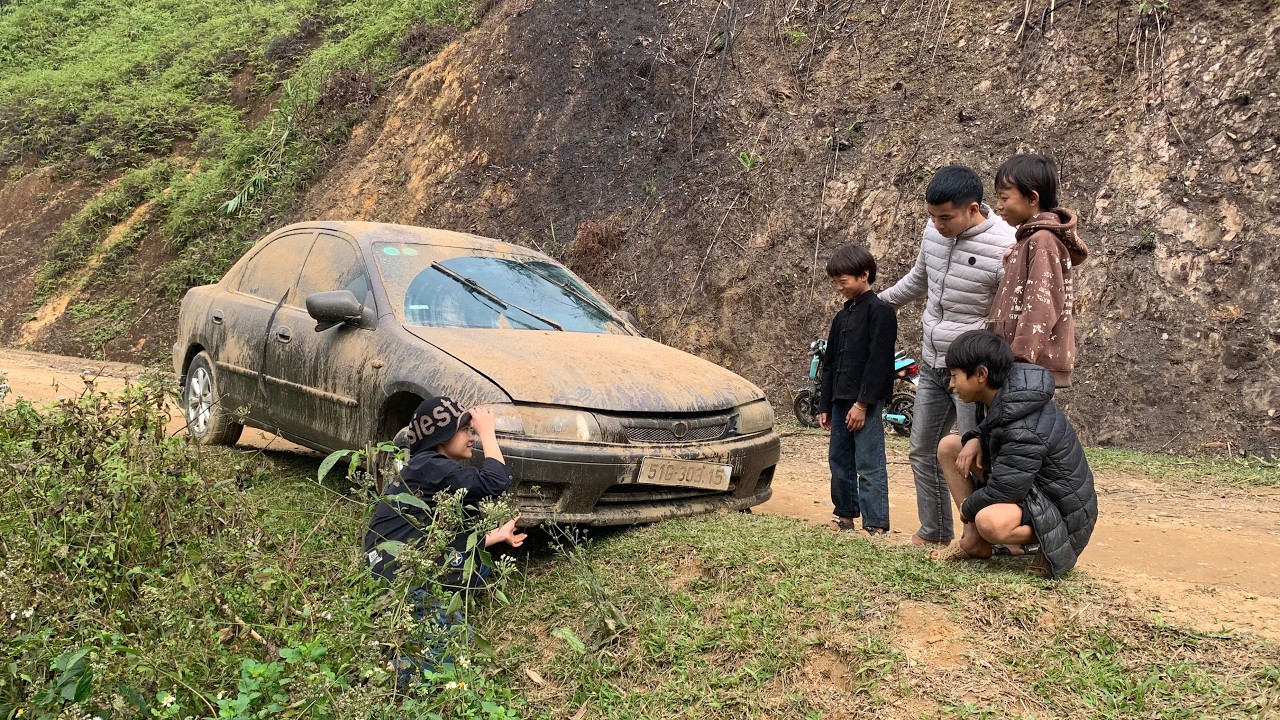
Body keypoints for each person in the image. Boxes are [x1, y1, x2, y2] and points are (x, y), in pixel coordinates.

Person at [879, 164, 1016, 547]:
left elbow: (1007, 317)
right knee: (922, 447)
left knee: (975, 455)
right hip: (934, 361)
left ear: (973, 208)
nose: (938, 225)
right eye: (932, 217)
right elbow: (919, 280)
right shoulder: (933, 233)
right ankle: (935, 530)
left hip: (974, 374)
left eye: (946, 217)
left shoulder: (1006, 244)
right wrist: (879, 303)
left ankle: (987, 534)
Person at [937, 330, 1097, 579]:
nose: (951, 384)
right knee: (951, 447)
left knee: (989, 521)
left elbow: (1005, 490)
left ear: (981, 374)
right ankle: (974, 542)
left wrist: (967, 509)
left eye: (955, 376)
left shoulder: (1024, 426)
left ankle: (1049, 541)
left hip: (1062, 510)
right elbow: (999, 427)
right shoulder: (1002, 392)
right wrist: (977, 437)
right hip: (1028, 486)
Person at [364, 395, 525, 597]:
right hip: (395, 581)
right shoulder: (433, 467)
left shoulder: (428, 467)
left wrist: (497, 534)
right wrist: (487, 432)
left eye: (472, 431)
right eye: (465, 430)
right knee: (453, 624)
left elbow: (447, 536)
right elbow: (496, 480)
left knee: (479, 568)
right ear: (442, 436)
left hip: (392, 570)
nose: (471, 438)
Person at [817, 244, 898, 536]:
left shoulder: (881, 312)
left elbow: (878, 362)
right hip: (839, 400)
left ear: (864, 275)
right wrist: (824, 405)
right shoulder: (841, 318)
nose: (839, 287)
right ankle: (845, 515)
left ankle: (875, 524)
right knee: (838, 458)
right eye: (835, 282)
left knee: (868, 460)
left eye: (844, 281)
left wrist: (862, 404)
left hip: (865, 402)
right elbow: (830, 364)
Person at [989, 154, 1090, 388]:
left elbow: (1041, 305)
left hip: (1027, 368)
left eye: (1004, 197)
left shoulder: (1042, 240)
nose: (999, 206)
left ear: (1032, 197)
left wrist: (1020, 360)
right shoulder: (1029, 240)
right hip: (1020, 365)